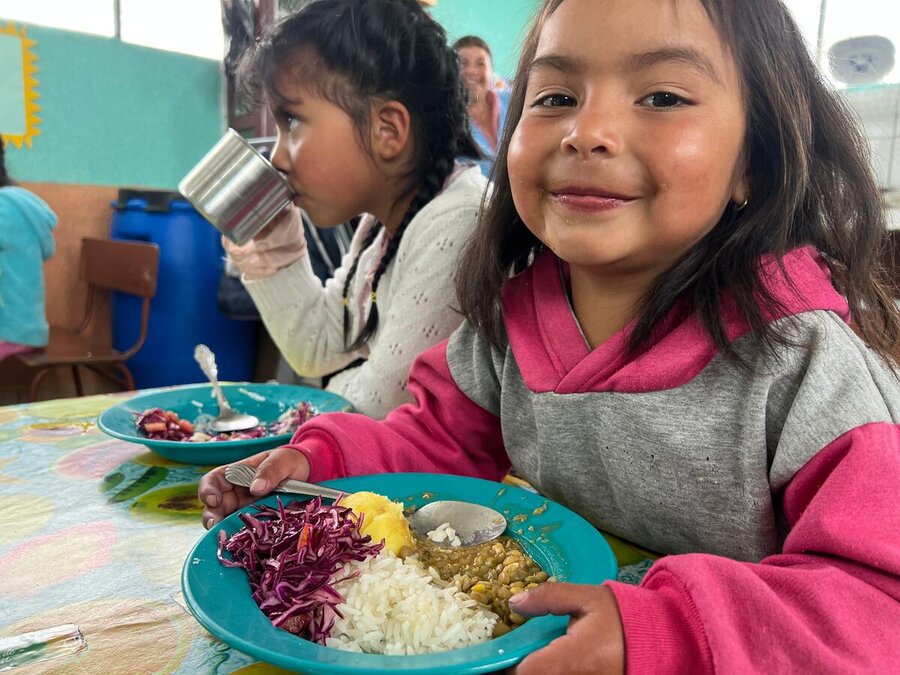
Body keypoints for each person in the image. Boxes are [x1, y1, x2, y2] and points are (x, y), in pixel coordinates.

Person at [200, 0, 900, 671]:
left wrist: (669, 632)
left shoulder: (805, 365)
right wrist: (320, 464)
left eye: (661, 97)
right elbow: (434, 445)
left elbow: (879, 603)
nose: (585, 131)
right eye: (556, 97)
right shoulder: (510, 321)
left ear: (755, 157)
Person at [223, 0, 486, 418]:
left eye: (291, 121)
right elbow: (319, 347)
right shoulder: (381, 227)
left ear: (387, 130)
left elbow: (382, 407)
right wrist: (275, 247)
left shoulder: (458, 223)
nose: (277, 157)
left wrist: (317, 398)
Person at [0, 136, 57, 361]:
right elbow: (48, 251)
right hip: (29, 327)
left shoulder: (4, 208)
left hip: (12, 331)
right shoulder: (18, 203)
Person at [453, 35, 510, 177]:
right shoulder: (447, 122)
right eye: (463, 63)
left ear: (491, 72)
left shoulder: (513, 101)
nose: (472, 71)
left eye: (481, 64)